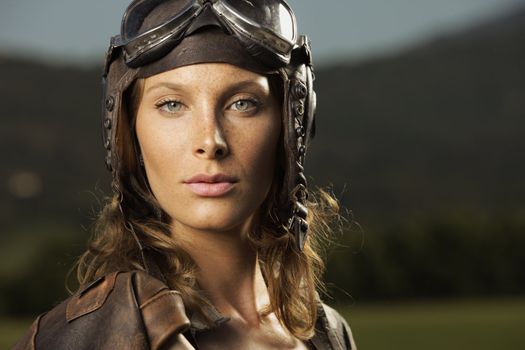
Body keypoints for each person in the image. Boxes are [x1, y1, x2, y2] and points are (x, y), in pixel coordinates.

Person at [14, 0, 356, 349]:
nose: (210, 141)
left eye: (243, 103)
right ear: (130, 134)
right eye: (172, 105)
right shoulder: (90, 335)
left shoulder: (330, 335)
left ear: (291, 126)